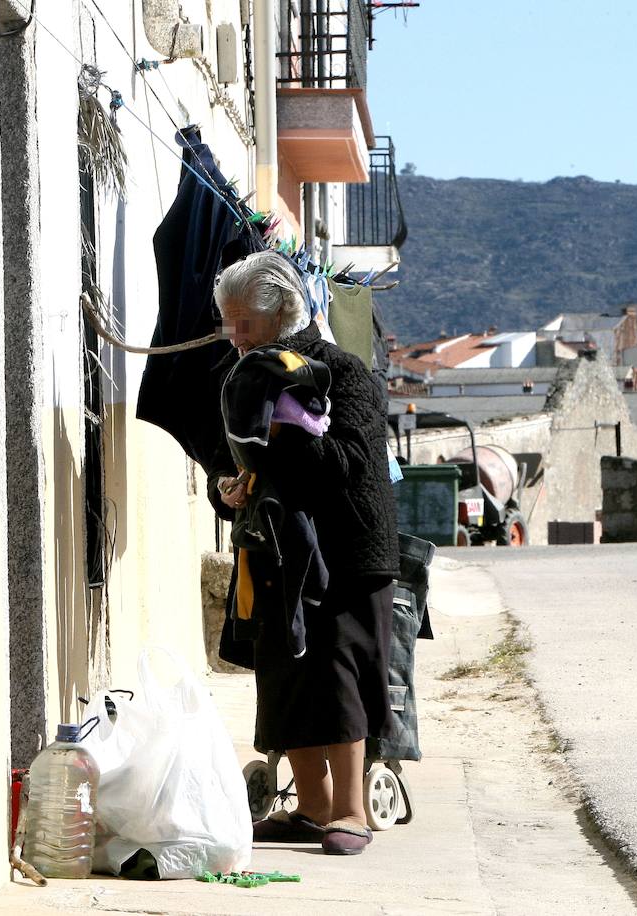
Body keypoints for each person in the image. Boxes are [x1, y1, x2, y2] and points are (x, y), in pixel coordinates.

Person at [207, 250, 399, 856]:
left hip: (347, 552)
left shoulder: (341, 372)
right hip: (282, 552)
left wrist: (287, 439)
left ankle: (351, 812)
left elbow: (353, 464)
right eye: (228, 322)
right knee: (288, 675)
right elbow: (241, 463)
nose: (233, 336)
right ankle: (312, 809)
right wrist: (231, 490)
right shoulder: (252, 378)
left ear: (282, 313)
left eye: (245, 323)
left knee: (337, 674)